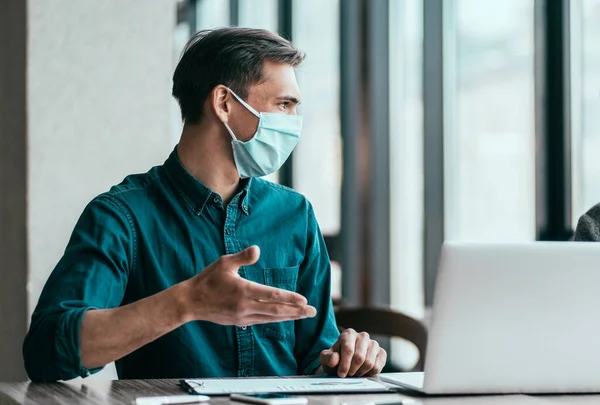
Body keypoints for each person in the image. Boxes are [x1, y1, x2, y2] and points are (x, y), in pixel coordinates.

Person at [23, 27, 386, 382]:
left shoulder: (295, 215)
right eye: (284, 105)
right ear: (224, 103)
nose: (294, 122)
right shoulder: (122, 217)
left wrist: (345, 360)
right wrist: (187, 302)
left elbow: (314, 358)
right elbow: (45, 353)